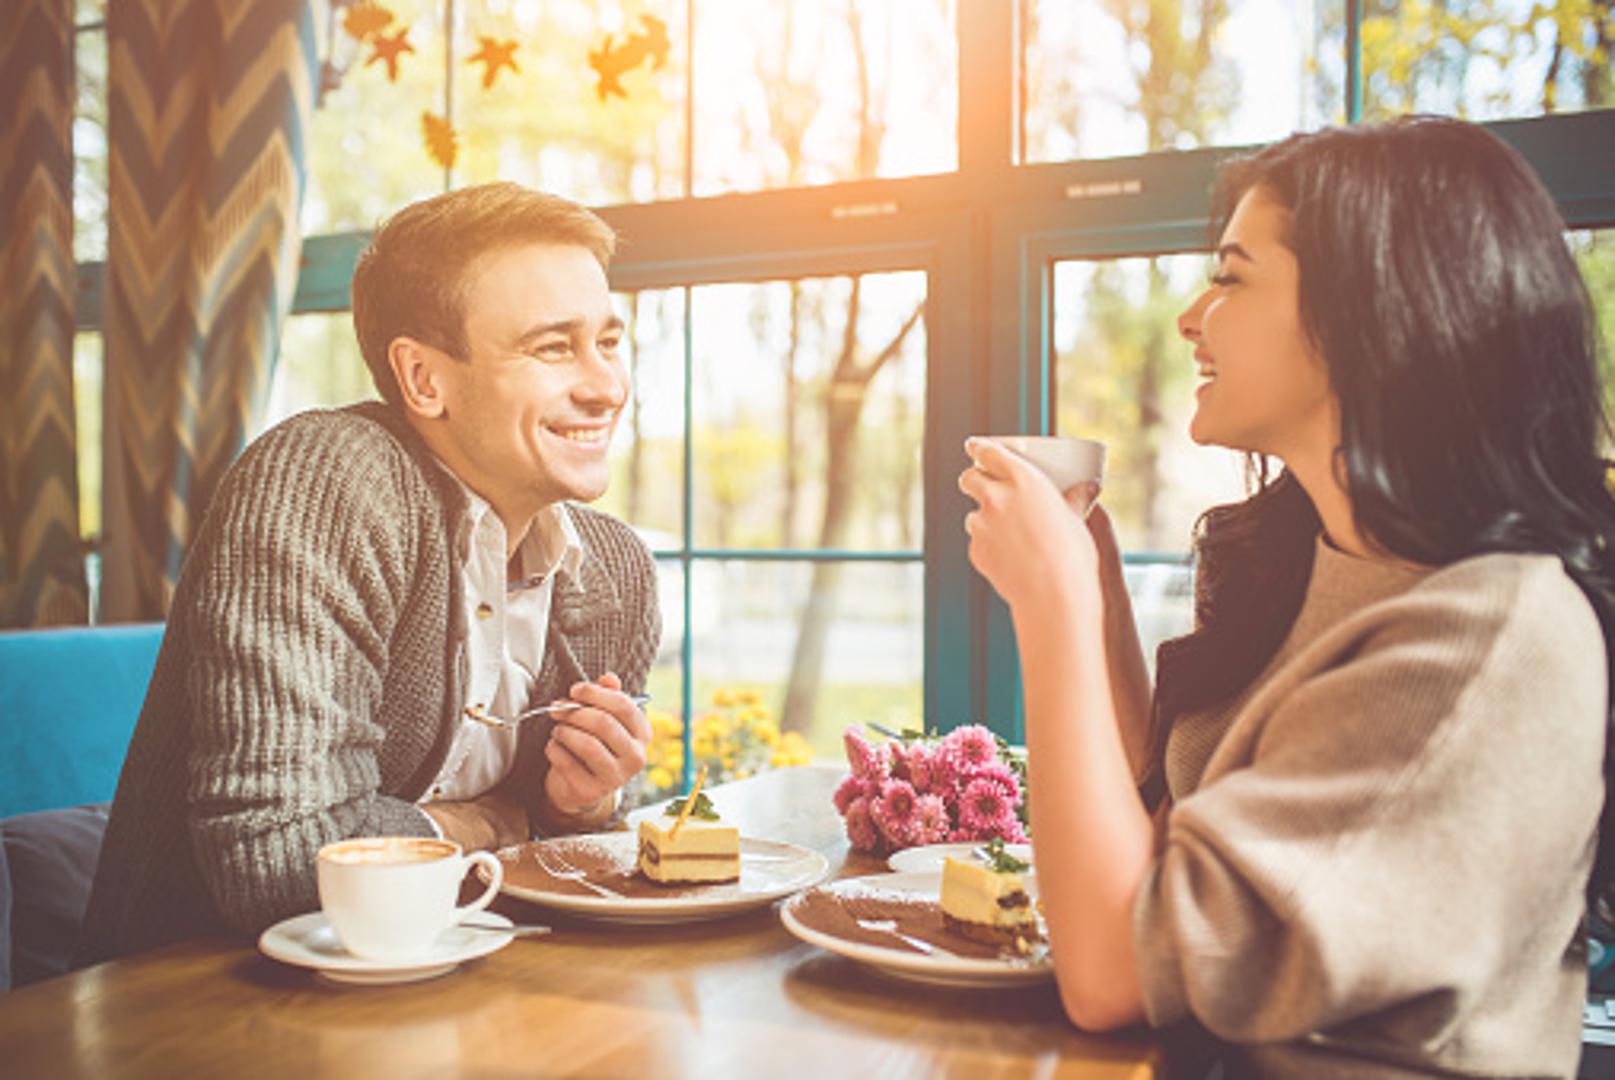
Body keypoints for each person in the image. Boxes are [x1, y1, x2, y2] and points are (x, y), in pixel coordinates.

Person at [959, 116, 1615, 1076]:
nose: (1190, 317)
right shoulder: (1323, 560)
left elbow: (1113, 971)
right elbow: (1175, 815)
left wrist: (1050, 606)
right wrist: (1092, 588)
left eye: (1229, 276)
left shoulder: (1486, 637)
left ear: (1373, 313)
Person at [77, 183, 661, 962]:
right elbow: (279, 860)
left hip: (482, 987)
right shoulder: (326, 481)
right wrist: (499, 822)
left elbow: (582, 869)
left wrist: (587, 808)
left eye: (609, 342)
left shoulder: (617, 567)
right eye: (553, 347)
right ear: (424, 379)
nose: (605, 386)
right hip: (208, 1004)